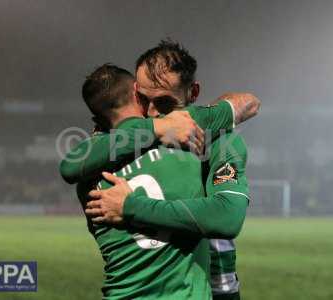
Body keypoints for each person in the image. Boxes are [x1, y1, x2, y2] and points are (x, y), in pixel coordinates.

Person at [61, 40, 260, 299]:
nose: (153, 112)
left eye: (165, 103)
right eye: (145, 100)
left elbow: (249, 103)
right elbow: (69, 165)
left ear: (193, 93)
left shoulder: (209, 134)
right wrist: (158, 129)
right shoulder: (116, 147)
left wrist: (131, 207)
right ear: (135, 92)